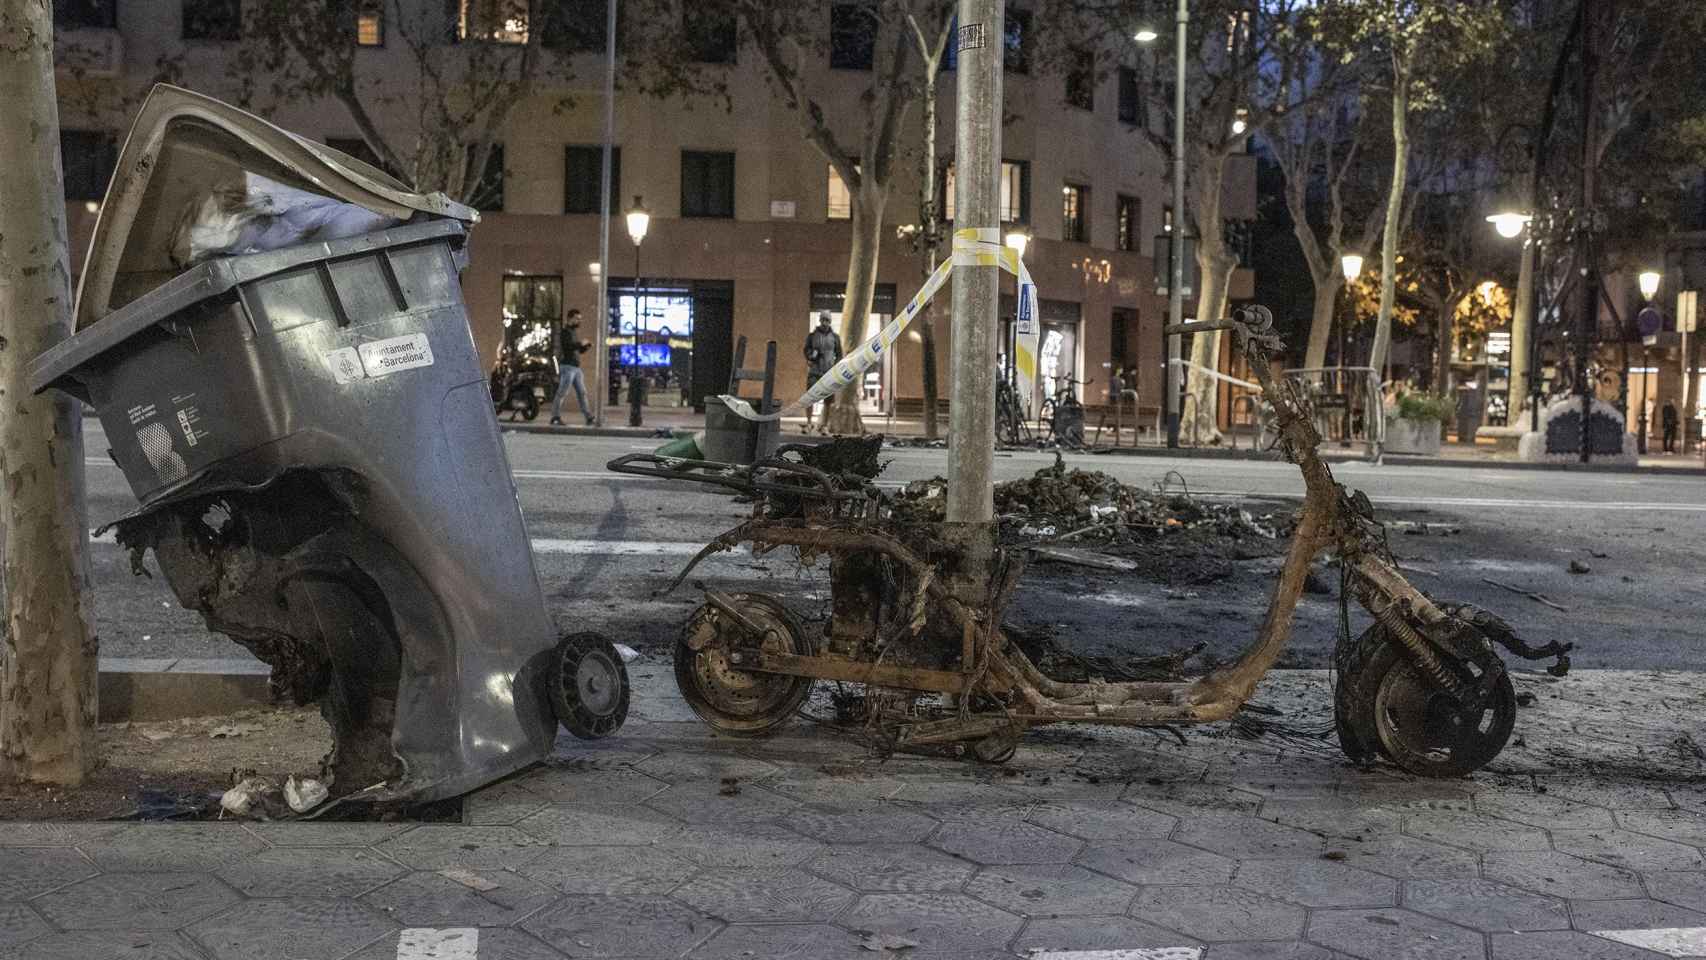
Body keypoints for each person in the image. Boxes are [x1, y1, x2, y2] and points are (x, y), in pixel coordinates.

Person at [551, 309, 594, 426]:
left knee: (582, 392)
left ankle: (588, 416)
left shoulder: (573, 332)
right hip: (567, 366)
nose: (579, 321)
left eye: (580, 319)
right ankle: (555, 416)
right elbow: (568, 346)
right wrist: (581, 344)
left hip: (576, 367)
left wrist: (585, 346)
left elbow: (578, 350)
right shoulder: (565, 332)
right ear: (570, 319)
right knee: (562, 392)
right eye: (577, 319)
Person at [803, 312, 842, 430]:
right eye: (823, 319)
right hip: (814, 371)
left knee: (828, 401)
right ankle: (809, 423)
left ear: (830, 322)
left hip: (829, 373)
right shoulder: (812, 336)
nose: (825, 322)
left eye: (828, 320)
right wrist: (810, 357)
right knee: (809, 397)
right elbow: (806, 350)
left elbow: (839, 354)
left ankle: (824, 425)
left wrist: (835, 366)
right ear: (820, 320)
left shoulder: (835, 337)